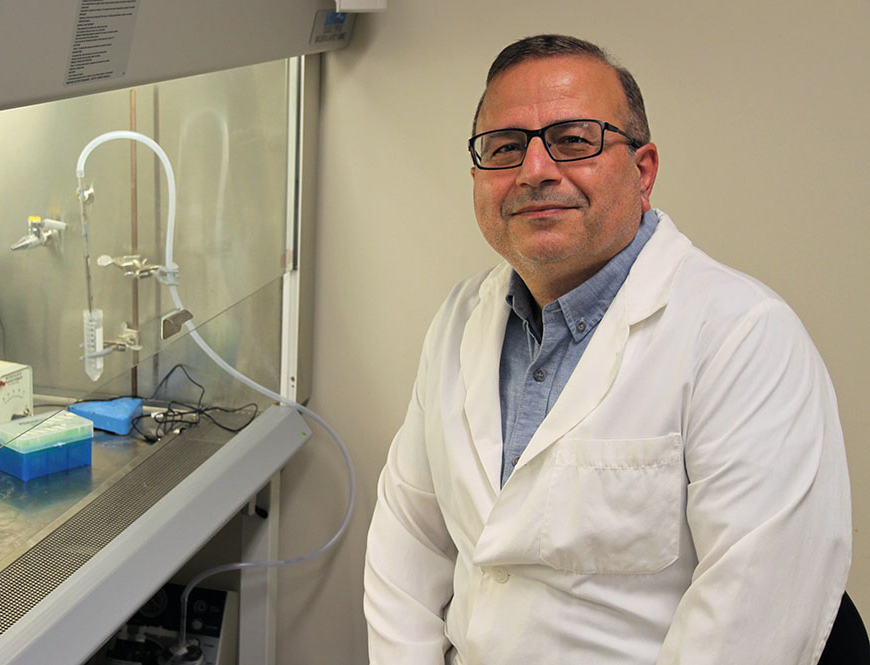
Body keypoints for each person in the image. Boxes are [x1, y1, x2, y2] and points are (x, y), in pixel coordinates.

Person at [363, 34, 852, 665]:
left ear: (643, 171)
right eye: (506, 148)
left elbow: (751, 621)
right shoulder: (460, 319)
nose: (535, 171)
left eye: (573, 140)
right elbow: (408, 542)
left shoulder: (744, 336)